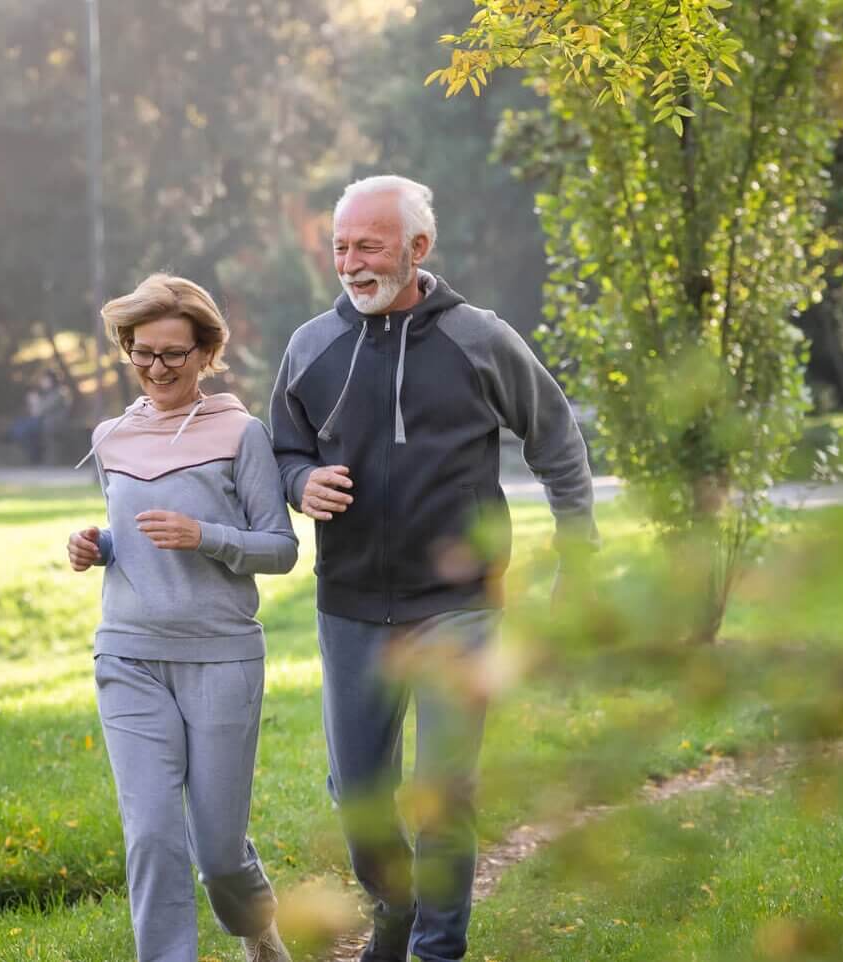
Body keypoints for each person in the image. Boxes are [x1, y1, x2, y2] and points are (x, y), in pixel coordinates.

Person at [268, 175, 598, 962]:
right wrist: (297, 482)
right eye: (342, 247)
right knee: (358, 801)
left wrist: (577, 551)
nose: (351, 263)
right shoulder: (311, 346)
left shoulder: (478, 337)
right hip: (349, 606)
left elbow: (555, 439)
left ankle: (436, 950)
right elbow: (283, 446)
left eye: (369, 246)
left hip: (459, 603)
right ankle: (395, 906)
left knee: (444, 794)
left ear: (418, 249)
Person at [68, 273, 297, 962]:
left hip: (222, 659)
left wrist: (206, 535)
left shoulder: (241, 432)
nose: (155, 369)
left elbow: (281, 549)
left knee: (219, 850)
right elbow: (132, 540)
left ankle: (257, 927)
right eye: (141, 353)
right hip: (129, 655)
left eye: (171, 354)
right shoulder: (111, 436)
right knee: (152, 836)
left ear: (205, 354)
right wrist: (97, 545)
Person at [8, 369, 70, 464]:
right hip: (42, 422)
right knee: (21, 424)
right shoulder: (46, 393)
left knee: (24, 429)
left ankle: (32, 455)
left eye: (44, 380)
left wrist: (35, 401)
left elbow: (39, 411)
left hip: (51, 424)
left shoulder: (57, 394)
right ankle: (13, 435)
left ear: (51, 381)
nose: (42, 382)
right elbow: (34, 412)